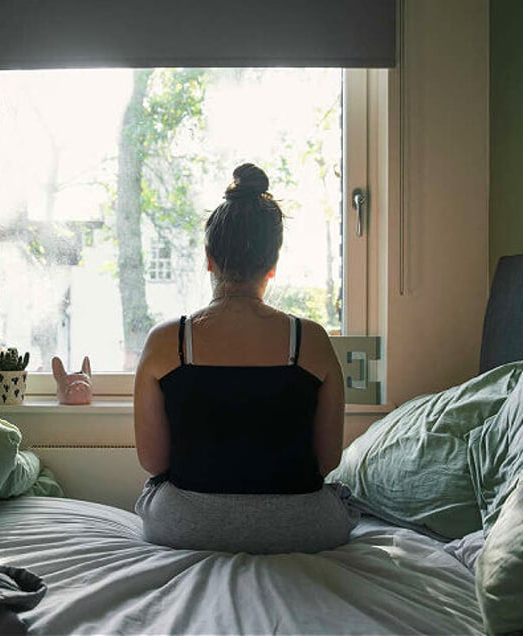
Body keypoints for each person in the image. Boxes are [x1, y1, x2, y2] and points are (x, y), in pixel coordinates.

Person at [133, 163, 357, 553]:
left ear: (209, 258)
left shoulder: (167, 341)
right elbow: (327, 460)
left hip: (187, 525)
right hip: (301, 527)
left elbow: (154, 463)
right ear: (272, 265)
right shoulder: (311, 339)